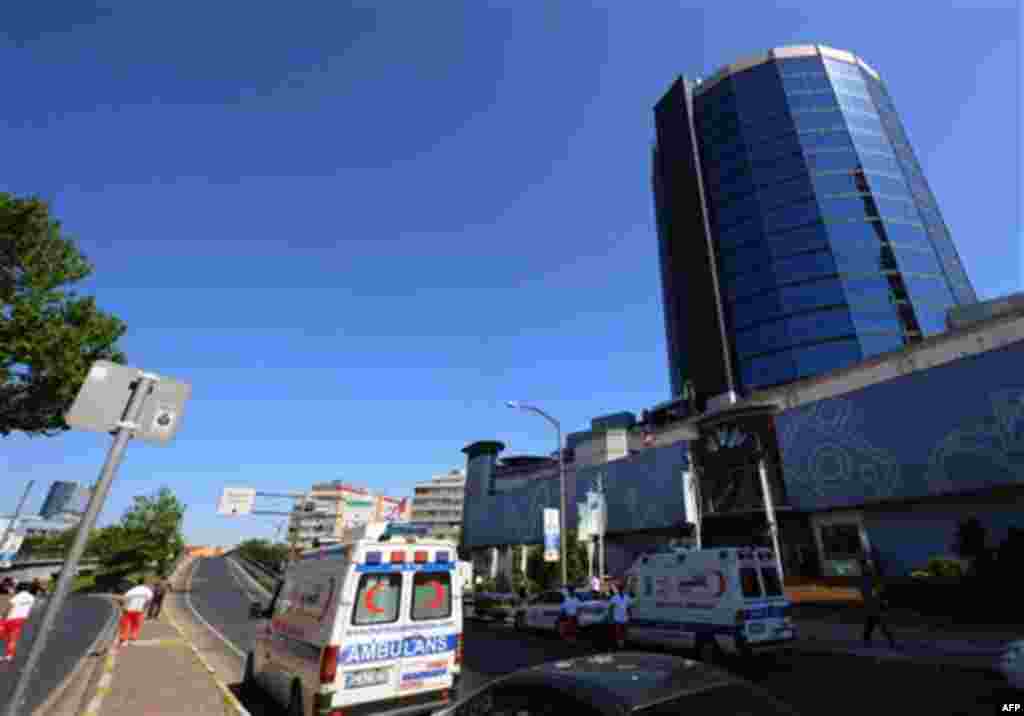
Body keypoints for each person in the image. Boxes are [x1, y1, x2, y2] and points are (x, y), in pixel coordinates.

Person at [858, 558, 896, 648]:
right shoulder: (866, 577)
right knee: (871, 623)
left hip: (874, 603)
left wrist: (880, 598)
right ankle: (867, 640)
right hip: (871, 603)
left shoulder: (870, 576)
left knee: (876, 622)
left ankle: (890, 640)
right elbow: (866, 590)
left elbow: (878, 588)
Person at [0, 582, 41, 661]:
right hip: (21, 619)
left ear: (20, 588)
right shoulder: (31, 597)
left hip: (10, 619)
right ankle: (9, 655)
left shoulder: (18, 596)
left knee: (2, 636)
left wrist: (2, 617)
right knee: (13, 638)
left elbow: (9, 607)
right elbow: (32, 607)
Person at [119, 579, 154, 646]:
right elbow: (149, 601)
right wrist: (144, 608)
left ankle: (124, 640)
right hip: (139, 610)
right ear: (146, 584)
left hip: (128, 609)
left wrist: (123, 607)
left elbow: (124, 599)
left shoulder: (132, 590)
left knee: (125, 625)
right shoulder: (148, 591)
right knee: (136, 624)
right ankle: (132, 638)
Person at [608, 582, 632, 650]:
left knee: (624, 633)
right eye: (620, 589)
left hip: (625, 618)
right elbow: (611, 608)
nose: (621, 590)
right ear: (618, 590)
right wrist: (611, 617)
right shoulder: (615, 597)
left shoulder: (627, 597)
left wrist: (630, 616)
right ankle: (618, 646)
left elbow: (628, 607)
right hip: (617, 618)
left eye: (622, 589)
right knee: (618, 633)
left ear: (623, 590)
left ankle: (623, 645)